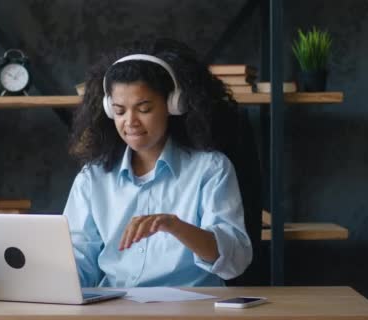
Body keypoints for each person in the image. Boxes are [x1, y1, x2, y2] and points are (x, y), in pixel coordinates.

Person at [63, 38, 251, 288]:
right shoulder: (92, 178)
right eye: (119, 111)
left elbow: (234, 261)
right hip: (116, 309)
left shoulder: (210, 169)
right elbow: (79, 261)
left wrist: (174, 226)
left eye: (144, 108)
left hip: (192, 308)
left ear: (173, 105)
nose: (130, 122)